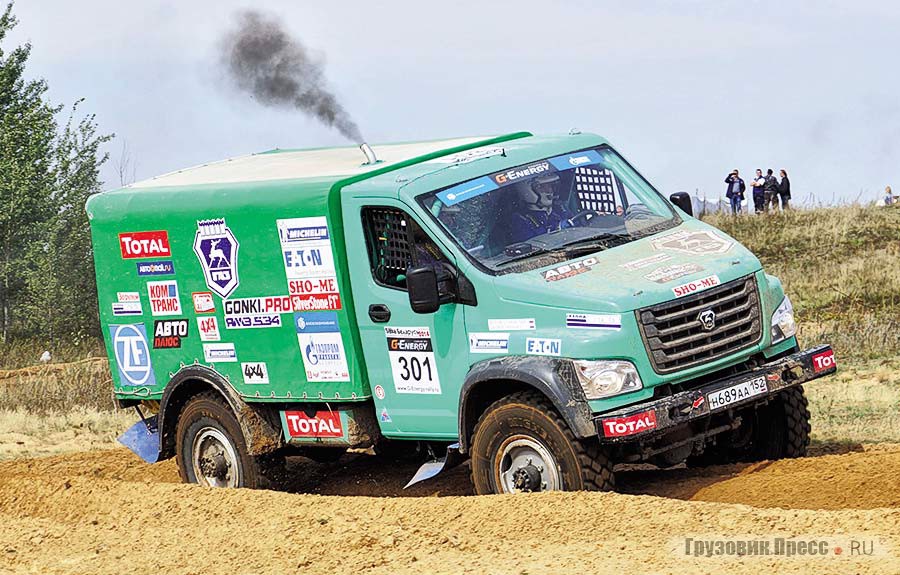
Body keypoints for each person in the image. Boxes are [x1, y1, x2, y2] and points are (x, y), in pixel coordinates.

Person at [504, 173, 573, 244]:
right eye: (541, 187)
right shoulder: (520, 219)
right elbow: (531, 246)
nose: (550, 191)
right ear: (527, 191)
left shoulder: (561, 209)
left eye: (551, 186)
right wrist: (558, 230)